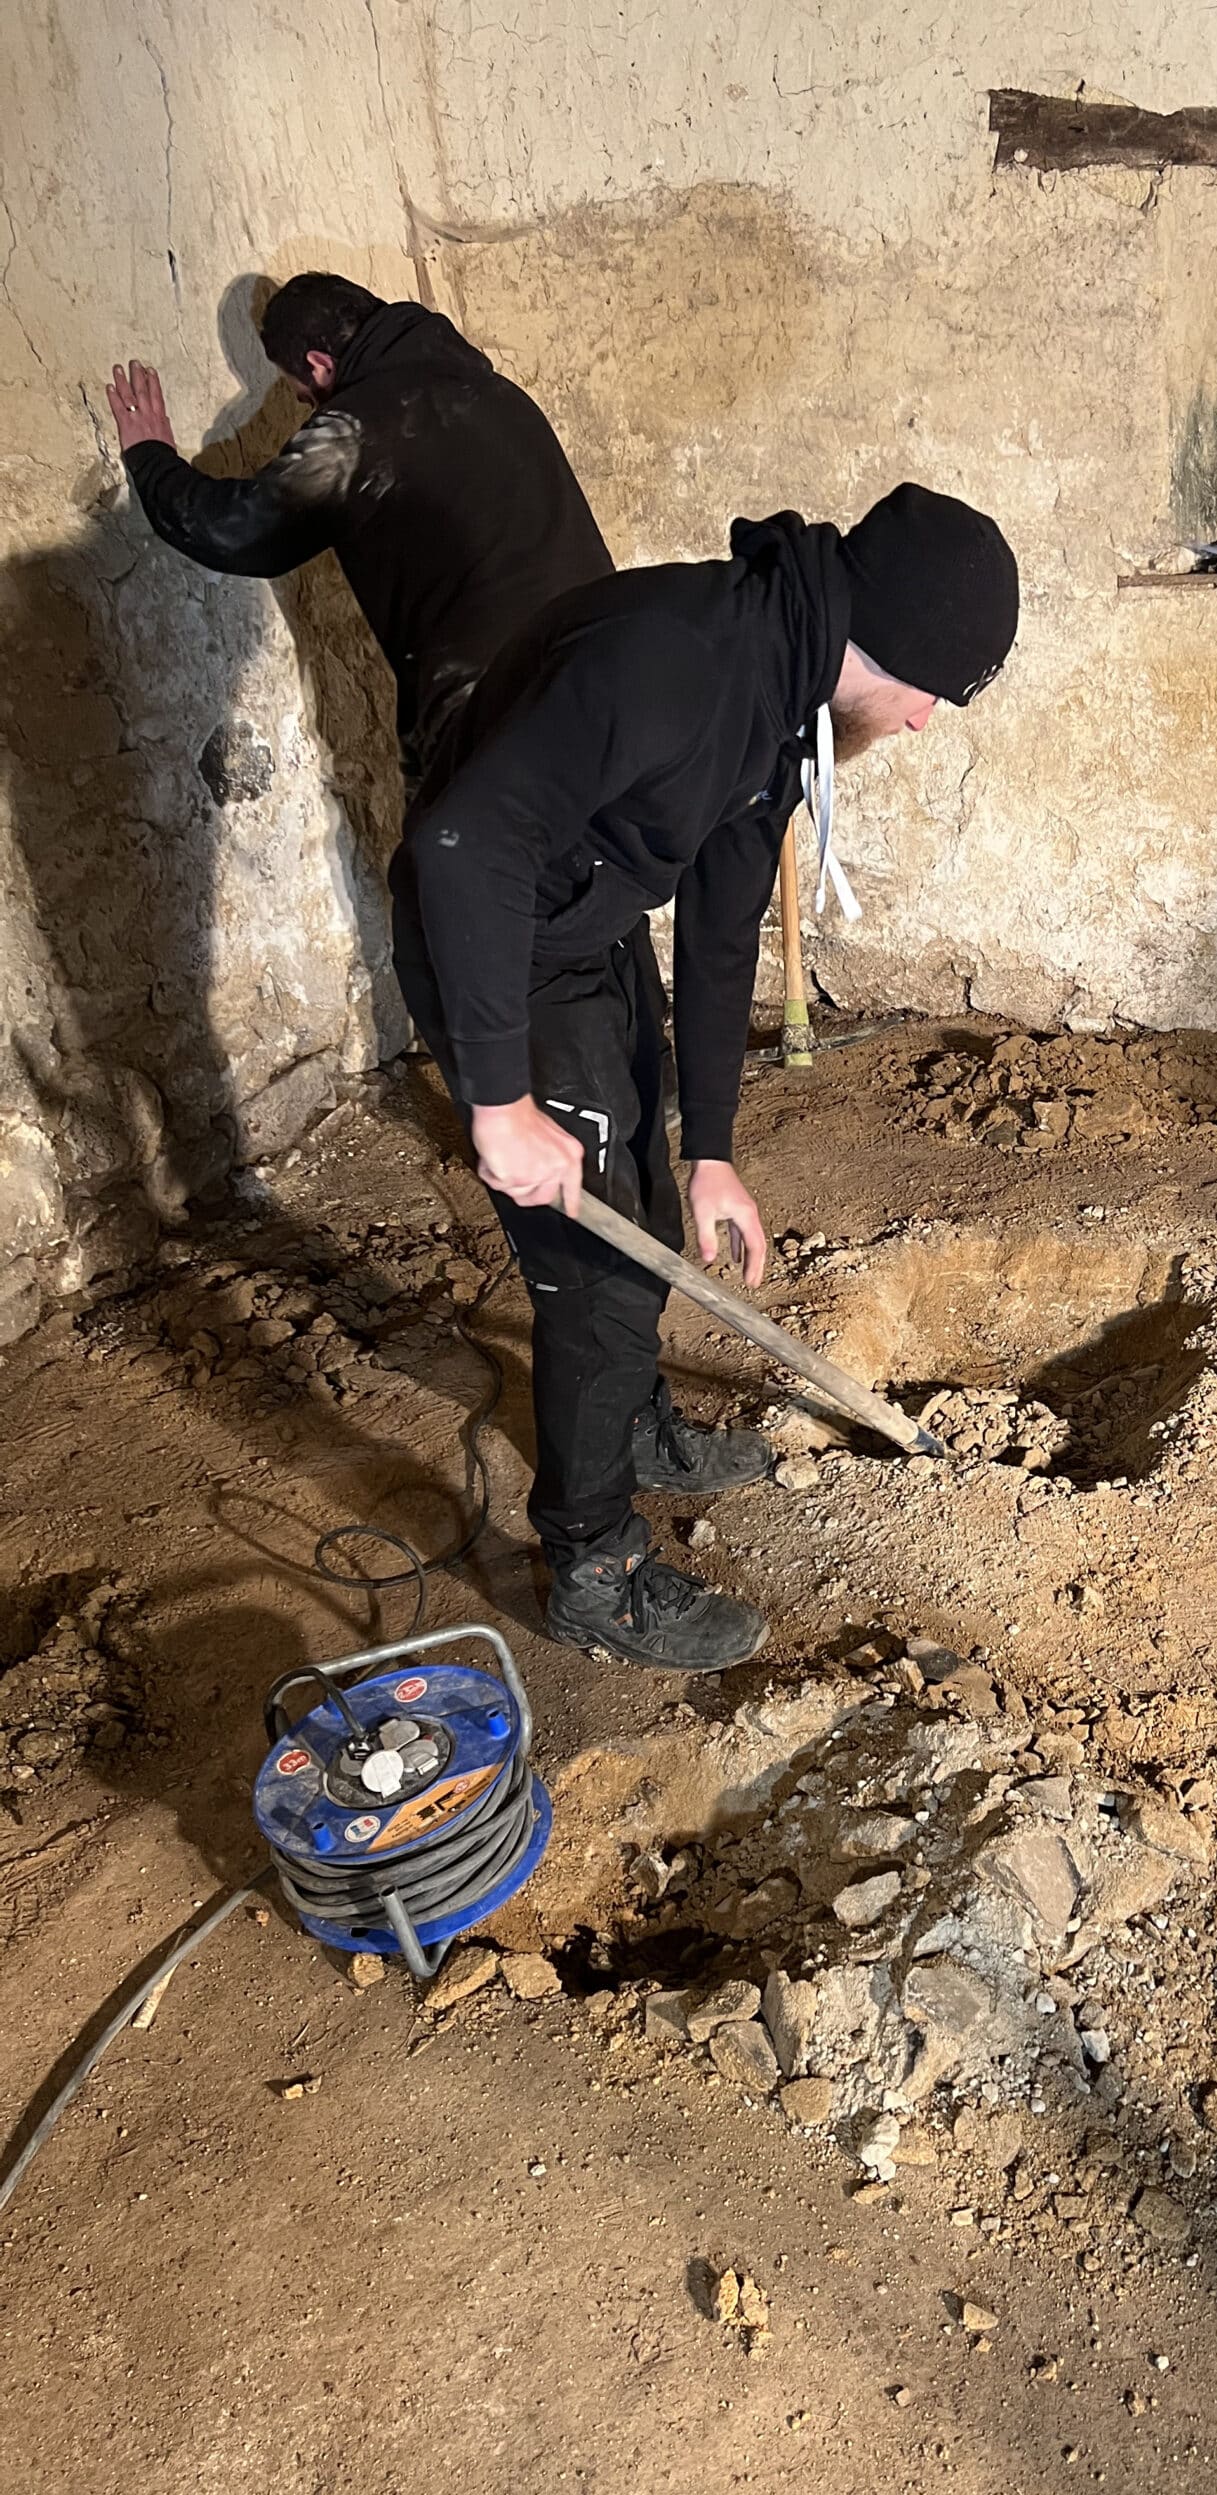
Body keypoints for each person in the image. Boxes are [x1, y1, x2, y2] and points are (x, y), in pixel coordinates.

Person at [395, 483, 1019, 1674]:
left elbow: (725, 924)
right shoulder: (675, 661)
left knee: (639, 1176)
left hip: (587, 928)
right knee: (594, 1270)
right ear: (887, 643)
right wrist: (495, 1101)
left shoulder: (788, 694)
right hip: (496, 937)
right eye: (936, 692)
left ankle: (630, 1419)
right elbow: (459, 846)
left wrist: (712, 1147)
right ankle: (590, 1565)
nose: (929, 723)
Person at [107, 272, 611, 778]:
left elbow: (237, 529)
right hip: (609, 674)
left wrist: (151, 460)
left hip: (500, 717)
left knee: (473, 855)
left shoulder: (367, 426)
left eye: (301, 394)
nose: (308, 407)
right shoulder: (496, 391)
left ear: (320, 365)